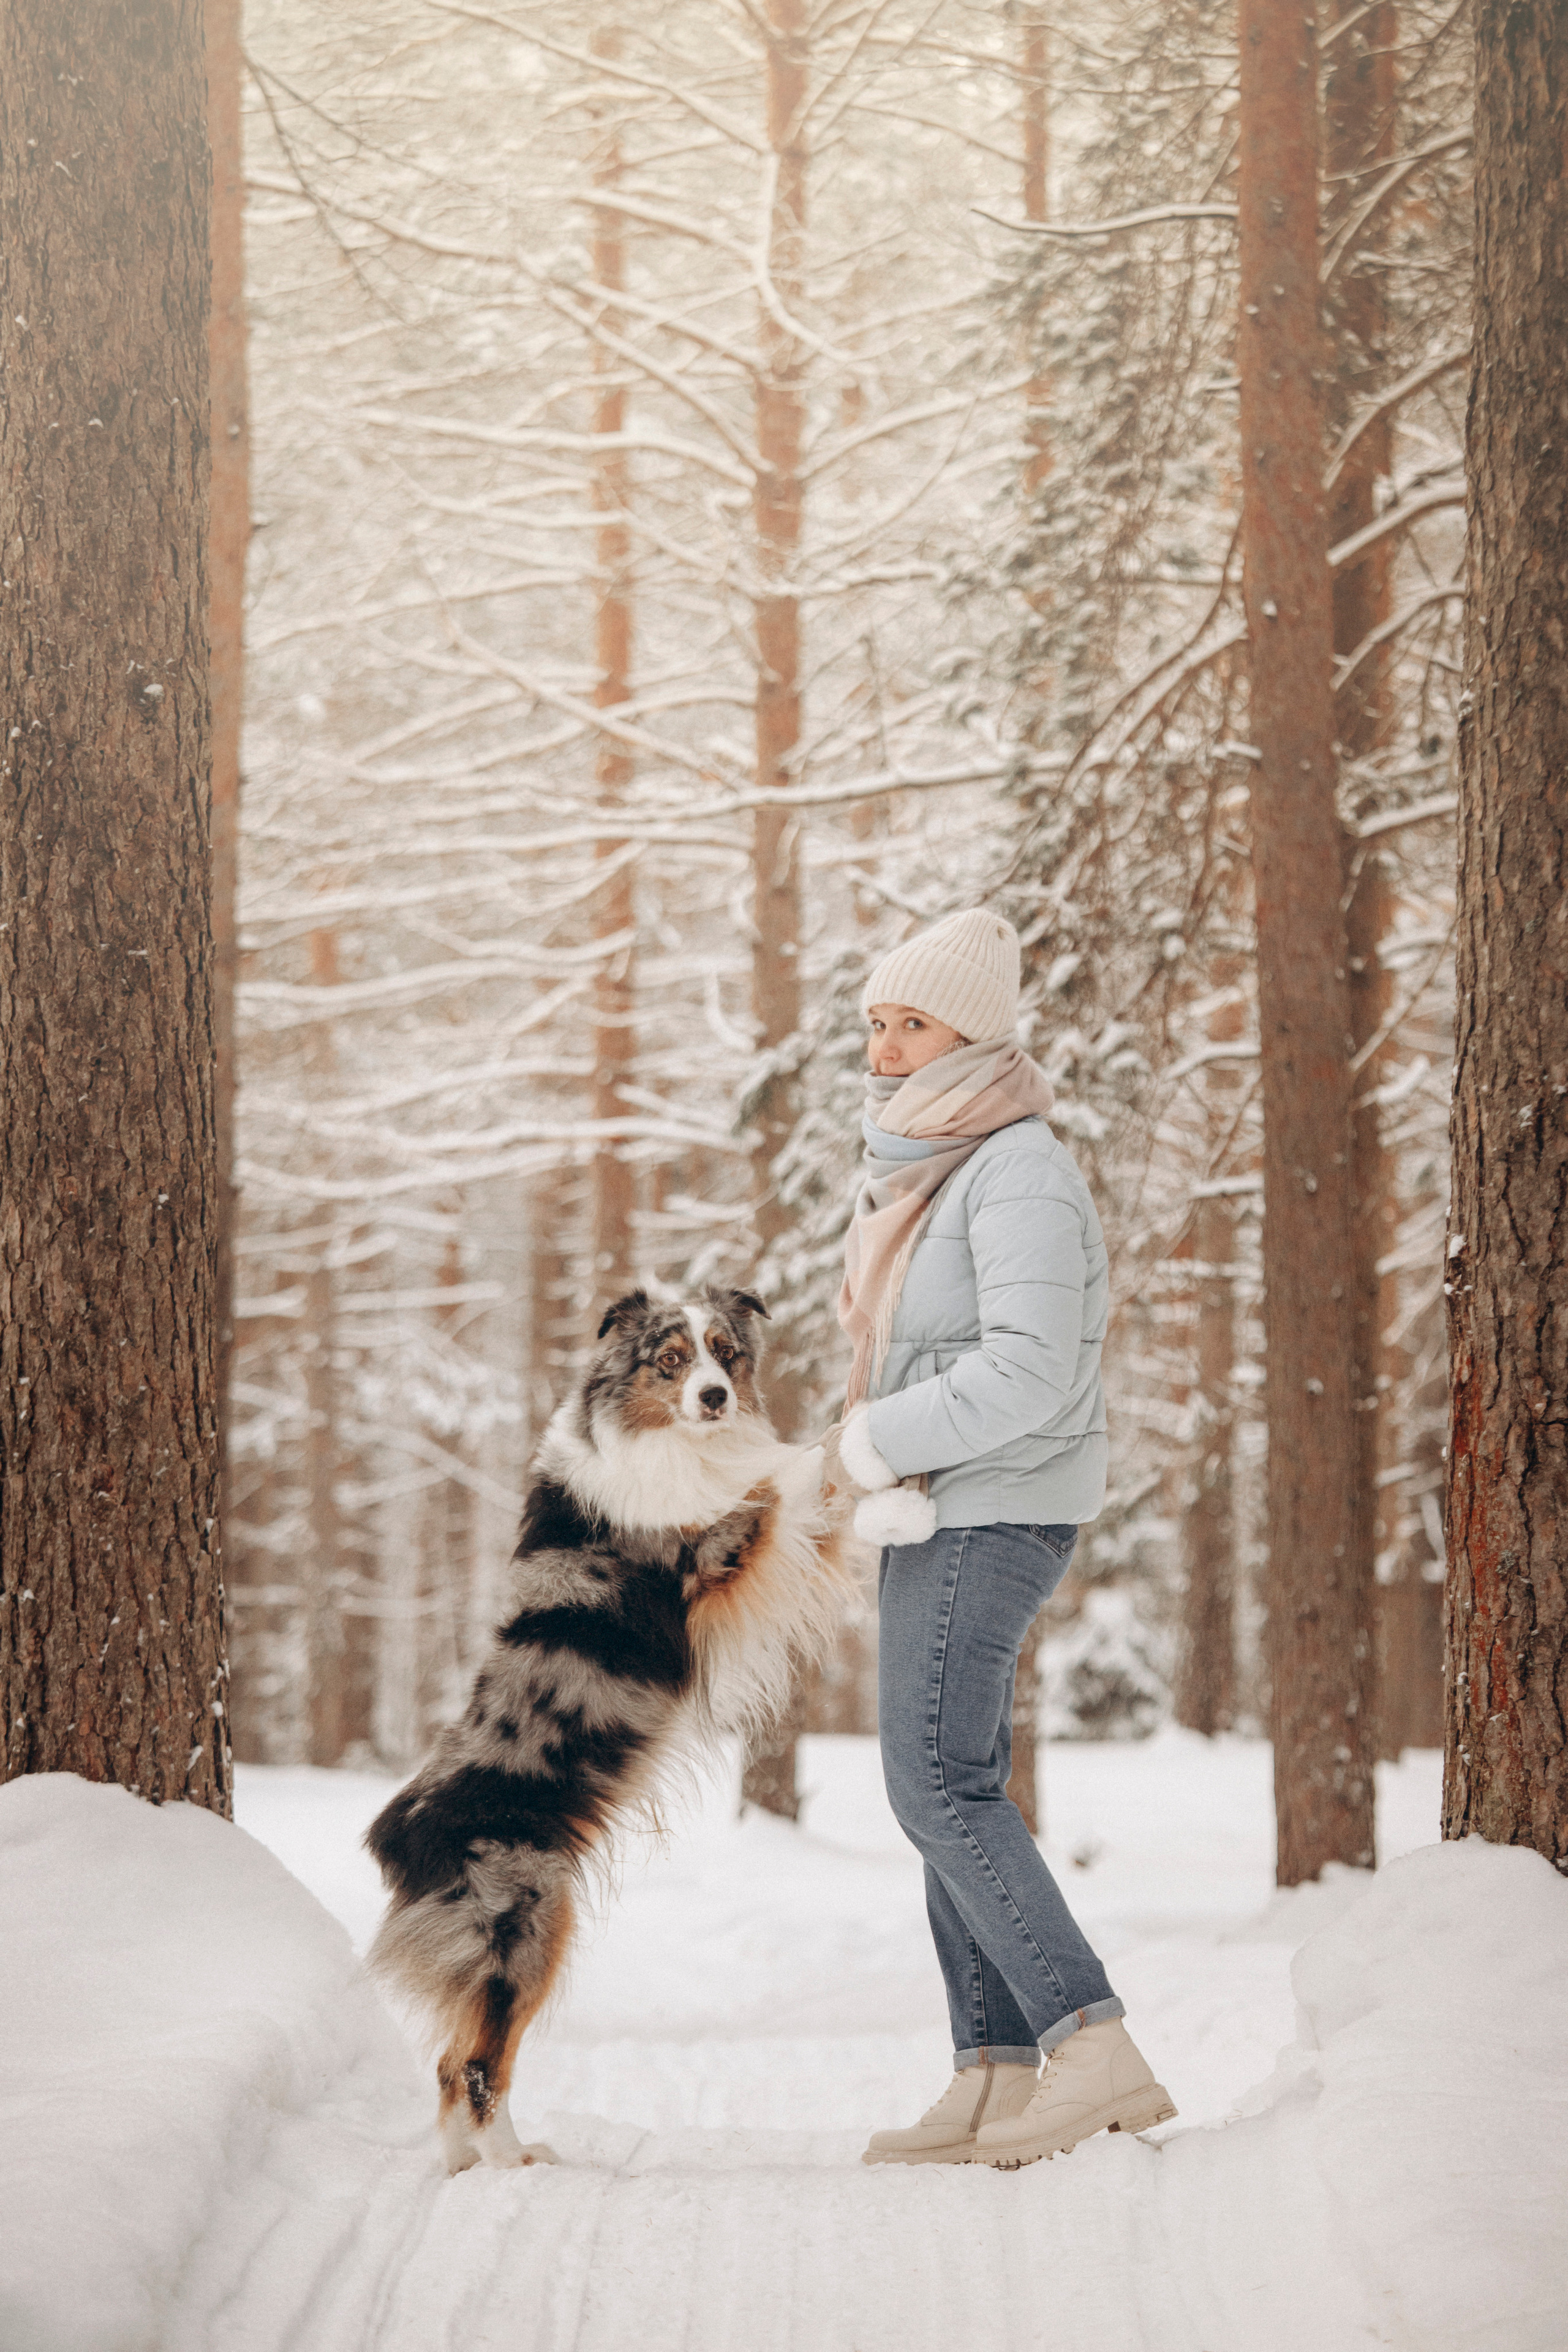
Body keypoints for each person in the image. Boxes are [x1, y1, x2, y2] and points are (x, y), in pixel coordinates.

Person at [832, 906, 1176, 2169]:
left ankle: (1090, 2046)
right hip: (943, 1502)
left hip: (993, 1505)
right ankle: (992, 2074)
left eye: (907, 1022)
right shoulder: (934, 1164)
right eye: (873, 1021)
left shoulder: (1016, 1166)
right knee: (950, 1788)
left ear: (969, 1034)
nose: (881, 1046)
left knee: (933, 1786)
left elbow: (1030, 1368)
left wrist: (869, 1440)